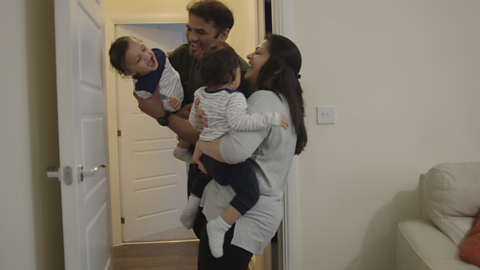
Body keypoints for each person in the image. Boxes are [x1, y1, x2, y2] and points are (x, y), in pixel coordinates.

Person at [134, 0, 255, 238]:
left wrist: (161, 113)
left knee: (222, 234)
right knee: (201, 229)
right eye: (189, 28)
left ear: (224, 34)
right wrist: (176, 112)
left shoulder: (238, 74)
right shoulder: (181, 56)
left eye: (201, 32)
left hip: (229, 168)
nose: (191, 37)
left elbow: (206, 137)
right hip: (198, 163)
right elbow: (143, 92)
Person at [189, 33, 307, 269]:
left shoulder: (263, 99)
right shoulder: (284, 100)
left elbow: (234, 152)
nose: (249, 56)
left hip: (241, 216)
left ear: (276, 69)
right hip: (252, 213)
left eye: (259, 52)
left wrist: (201, 144)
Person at [108, 36, 195, 164]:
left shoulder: (158, 54)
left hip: (183, 96)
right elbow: (153, 107)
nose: (146, 56)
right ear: (129, 72)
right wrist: (171, 106)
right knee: (192, 123)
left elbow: (168, 54)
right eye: (138, 60)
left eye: (143, 48)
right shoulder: (143, 88)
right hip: (172, 107)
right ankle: (182, 149)